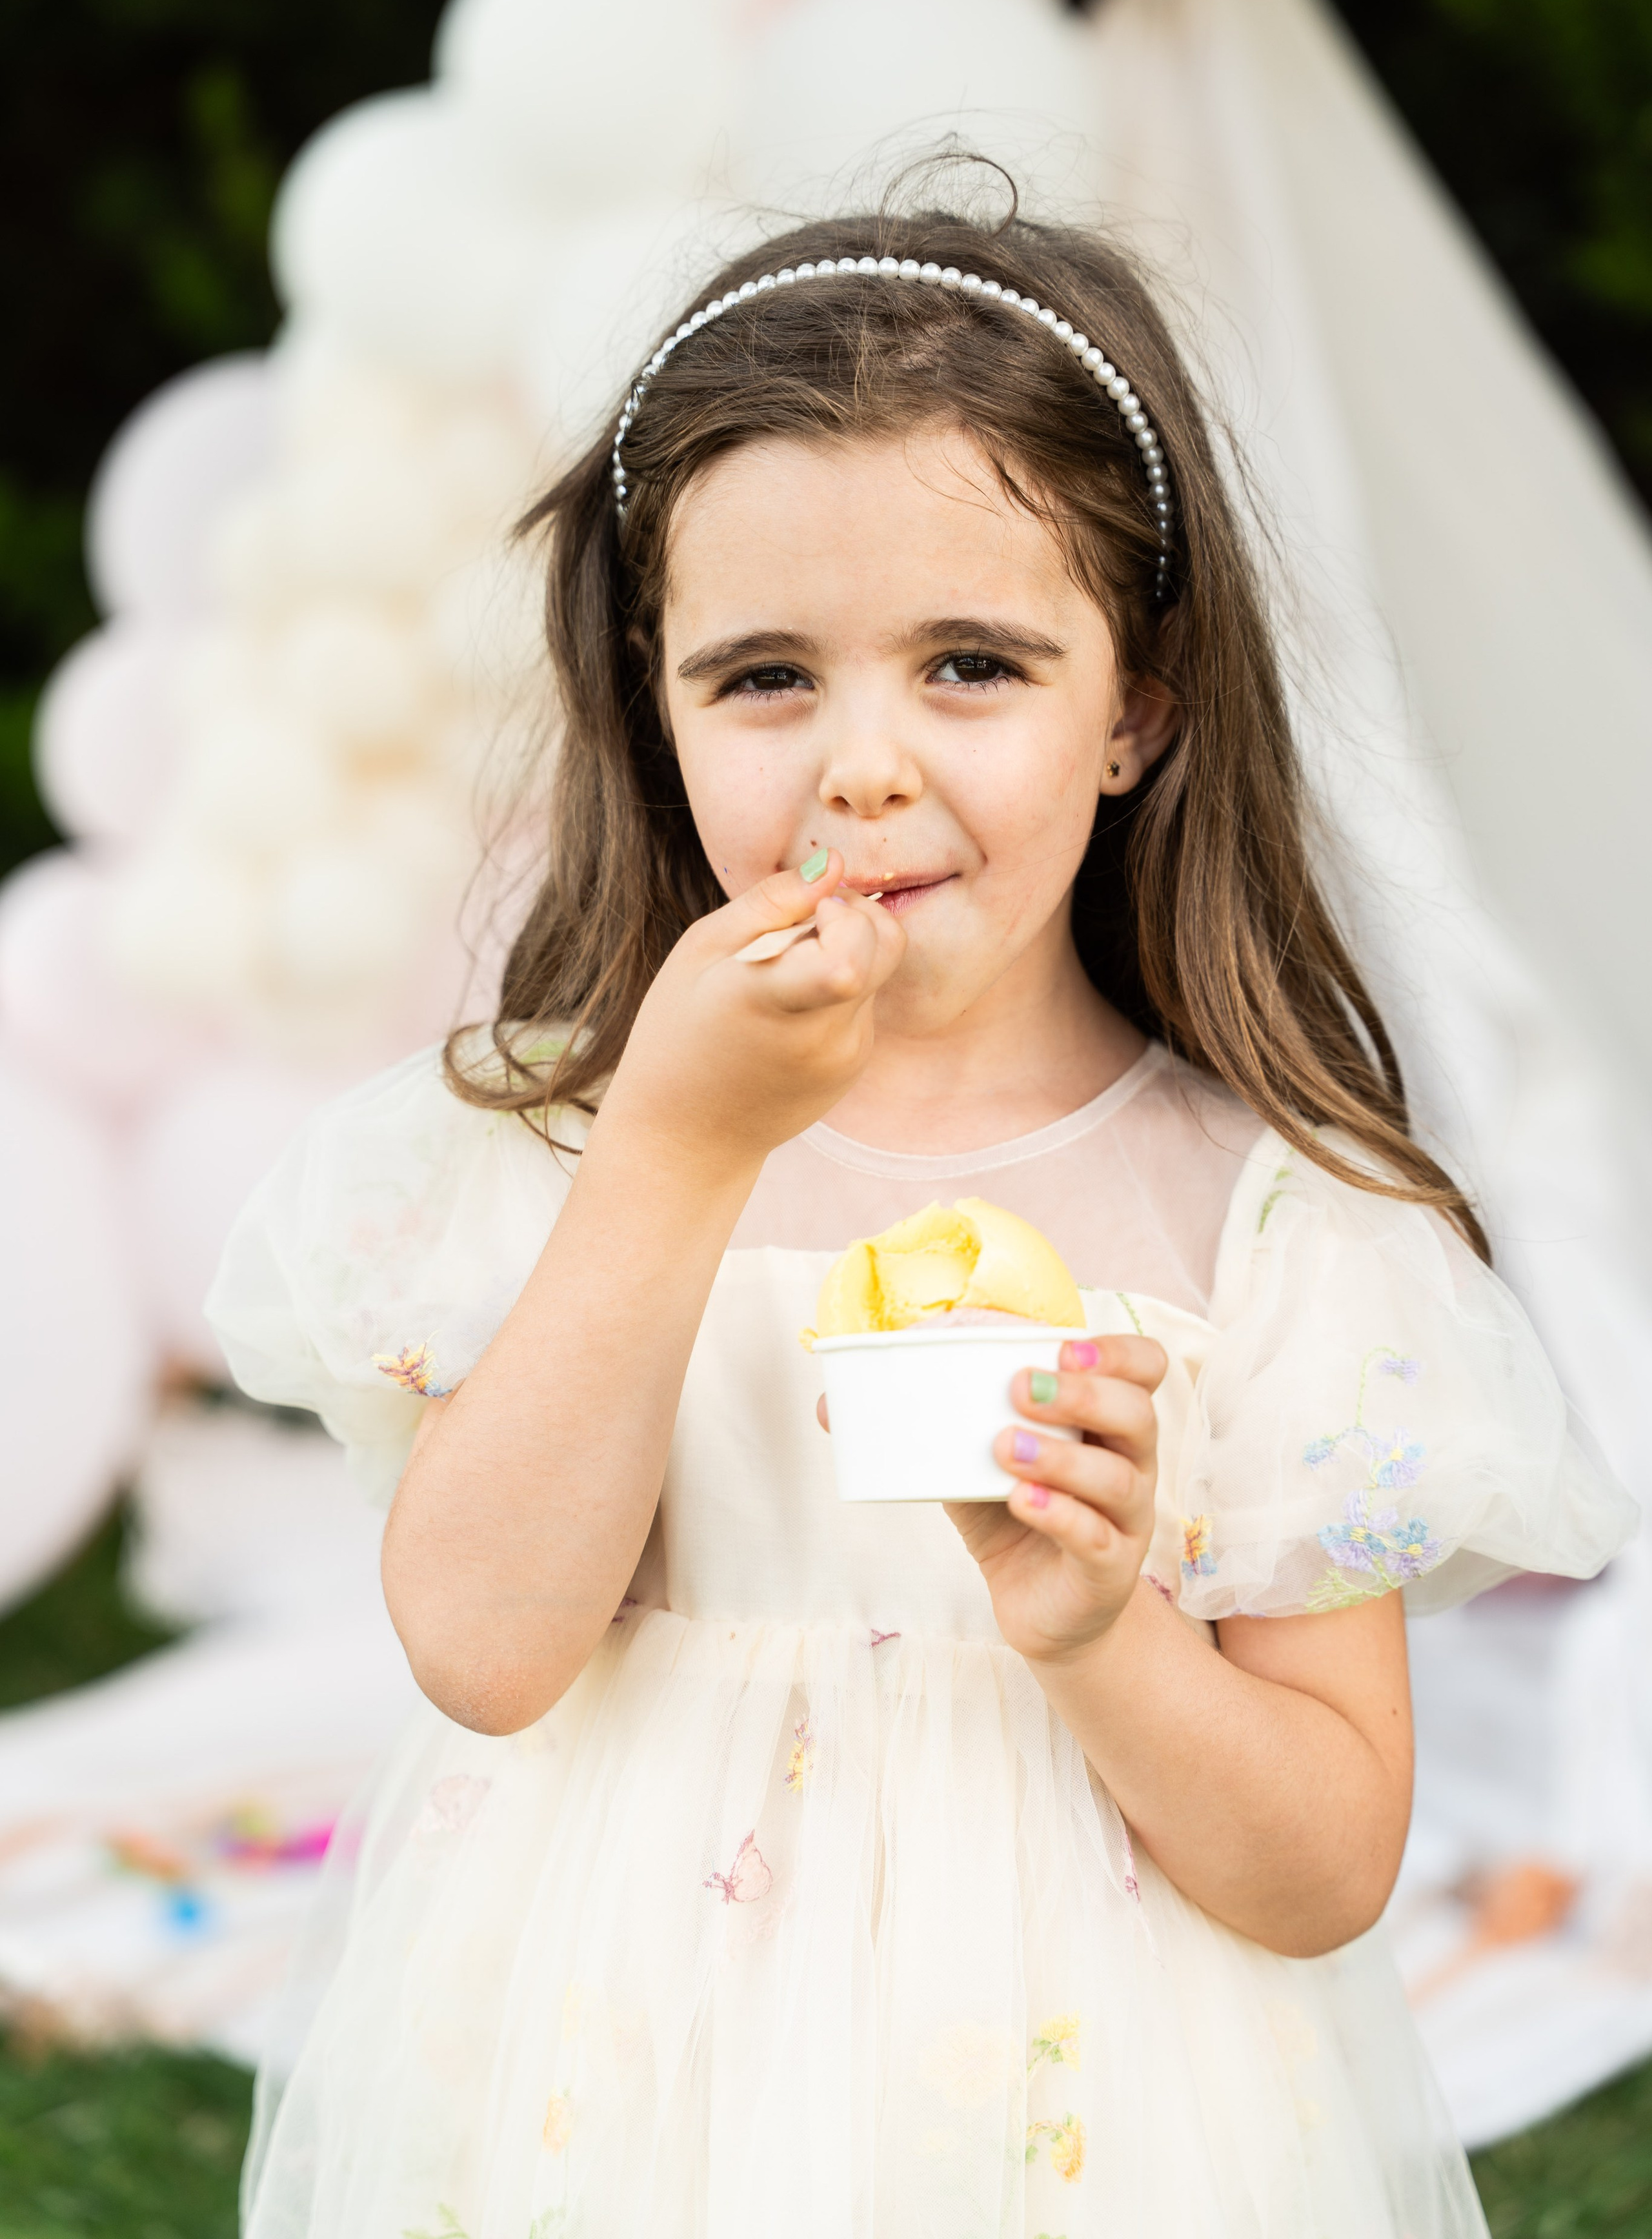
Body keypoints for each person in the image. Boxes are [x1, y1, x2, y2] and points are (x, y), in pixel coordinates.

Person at [208, 207, 1633, 2239]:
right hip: (623, 2094)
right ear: (658, 700)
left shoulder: (1274, 1226)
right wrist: (678, 1157)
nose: (863, 768)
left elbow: (1324, 1868)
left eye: (974, 665)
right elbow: (483, 1643)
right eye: (766, 676)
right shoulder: (560, 1146)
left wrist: (1095, 1625)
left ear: (1133, 707)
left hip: (1089, 2127)